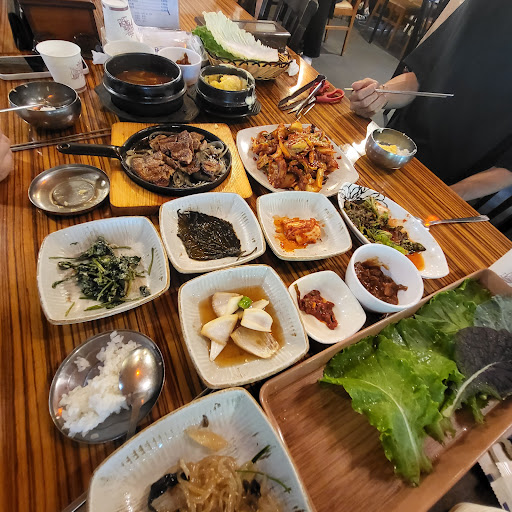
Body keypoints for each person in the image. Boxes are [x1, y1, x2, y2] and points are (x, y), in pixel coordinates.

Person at [349, 0, 512, 201]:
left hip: (452, 181)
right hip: (395, 148)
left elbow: (507, 169)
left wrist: (444, 197)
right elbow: (421, 74)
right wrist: (379, 95)